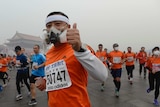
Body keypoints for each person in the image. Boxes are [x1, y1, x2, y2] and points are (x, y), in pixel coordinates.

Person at [35, 11, 108, 107]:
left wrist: (80, 50)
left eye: (57, 24)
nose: (52, 29)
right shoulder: (49, 53)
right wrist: (45, 80)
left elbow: (102, 76)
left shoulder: (80, 48)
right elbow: (60, 71)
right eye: (49, 25)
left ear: (68, 27)